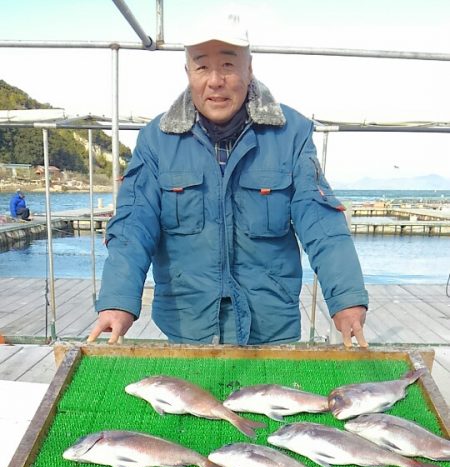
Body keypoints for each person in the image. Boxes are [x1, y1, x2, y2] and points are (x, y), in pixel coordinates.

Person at [88, 12, 369, 348]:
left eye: (228, 65)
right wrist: (117, 301)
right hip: (186, 326)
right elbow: (134, 225)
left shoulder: (292, 134)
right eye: (202, 66)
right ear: (188, 72)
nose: (215, 80)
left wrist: (346, 298)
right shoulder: (155, 139)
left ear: (249, 69)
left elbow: (320, 222)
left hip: (271, 329)